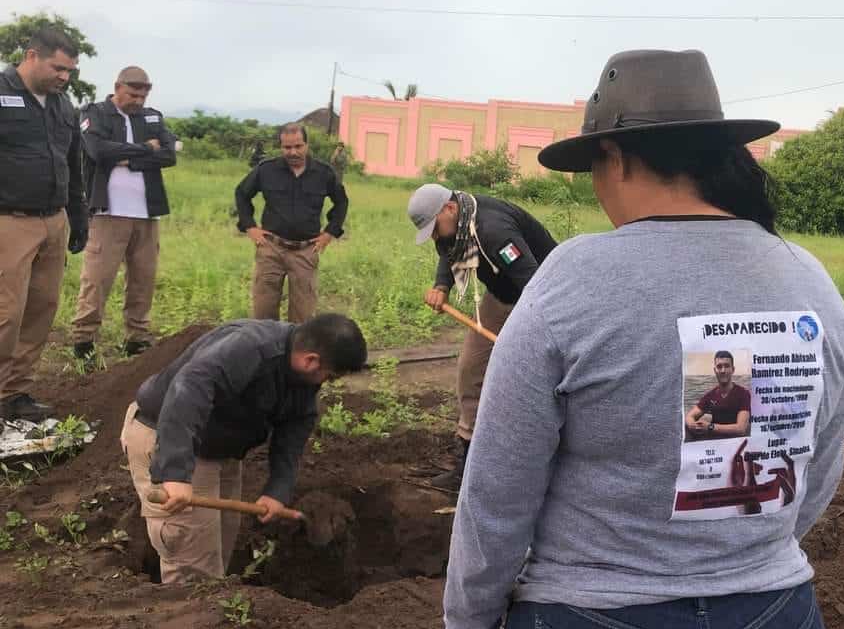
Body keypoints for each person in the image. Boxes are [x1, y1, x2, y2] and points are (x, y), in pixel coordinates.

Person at [443, 49, 844, 629]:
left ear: (614, 156)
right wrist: (744, 557)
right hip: (777, 613)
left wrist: (470, 624)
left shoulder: (572, 280)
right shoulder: (810, 279)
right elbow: (818, 468)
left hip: (592, 616)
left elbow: (497, 496)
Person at [120, 313, 367, 583]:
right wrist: (175, 473)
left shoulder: (300, 375)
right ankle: (191, 619)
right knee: (192, 563)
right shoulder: (250, 348)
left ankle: (213, 611)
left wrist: (277, 490)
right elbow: (189, 388)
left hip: (220, 449)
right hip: (169, 437)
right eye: (329, 376)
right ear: (311, 361)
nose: (325, 384)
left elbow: (296, 426)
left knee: (220, 546)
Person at [407, 181, 557, 491]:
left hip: (543, 299)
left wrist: (525, 337)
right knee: (471, 371)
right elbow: (447, 250)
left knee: (534, 377)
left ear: (449, 208)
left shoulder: (494, 231)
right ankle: (468, 463)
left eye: (435, 227)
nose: (435, 235)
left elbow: (535, 284)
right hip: (503, 296)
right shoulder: (458, 224)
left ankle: (539, 461)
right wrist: (441, 286)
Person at [0, 26, 88, 422]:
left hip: (53, 220)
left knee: (41, 309)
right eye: (59, 68)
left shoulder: (62, 105)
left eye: (70, 71)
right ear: (32, 55)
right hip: (8, 220)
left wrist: (78, 214)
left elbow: (73, 163)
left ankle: (13, 393)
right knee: (6, 312)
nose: (64, 77)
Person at [72, 66, 176, 360]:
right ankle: (84, 340)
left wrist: (128, 160)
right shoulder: (95, 113)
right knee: (98, 278)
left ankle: (137, 338)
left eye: (143, 95)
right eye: (133, 94)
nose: (139, 101)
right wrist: (145, 149)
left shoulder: (152, 116)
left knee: (143, 278)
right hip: (108, 212)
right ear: (117, 87)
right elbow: (97, 151)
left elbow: (169, 154)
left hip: (147, 213)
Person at [235, 123, 348, 323]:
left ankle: (294, 352)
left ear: (306, 145)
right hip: (271, 249)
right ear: (281, 147)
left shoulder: (323, 173)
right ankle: (268, 353)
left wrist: (330, 233)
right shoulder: (266, 170)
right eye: (287, 148)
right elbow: (242, 193)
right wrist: (250, 226)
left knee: (303, 318)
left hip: (305, 252)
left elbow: (341, 201)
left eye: (298, 146)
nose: (293, 152)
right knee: (264, 314)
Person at [685, 350, 751, 440]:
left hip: (735, 443)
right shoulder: (710, 395)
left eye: (727, 366)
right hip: (714, 442)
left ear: (733, 369)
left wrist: (710, 427)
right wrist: (693, 425)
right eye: (719, 367)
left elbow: (741, 429)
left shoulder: (743, 393)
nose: (723, 370)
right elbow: (690, 416)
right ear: (715, 370)